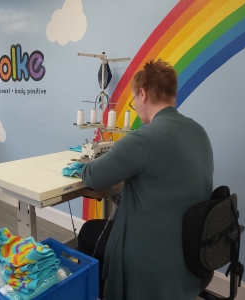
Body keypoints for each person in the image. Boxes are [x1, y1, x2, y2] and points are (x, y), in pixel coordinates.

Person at [79, 59, 214, 300]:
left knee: (89, 231)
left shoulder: (144, 139)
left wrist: (83, 163)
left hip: (153, 254)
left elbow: (91, 177)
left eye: (133, 100)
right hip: (193, 249)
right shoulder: (199, 131)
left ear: (142, 94)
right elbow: (164, 185)